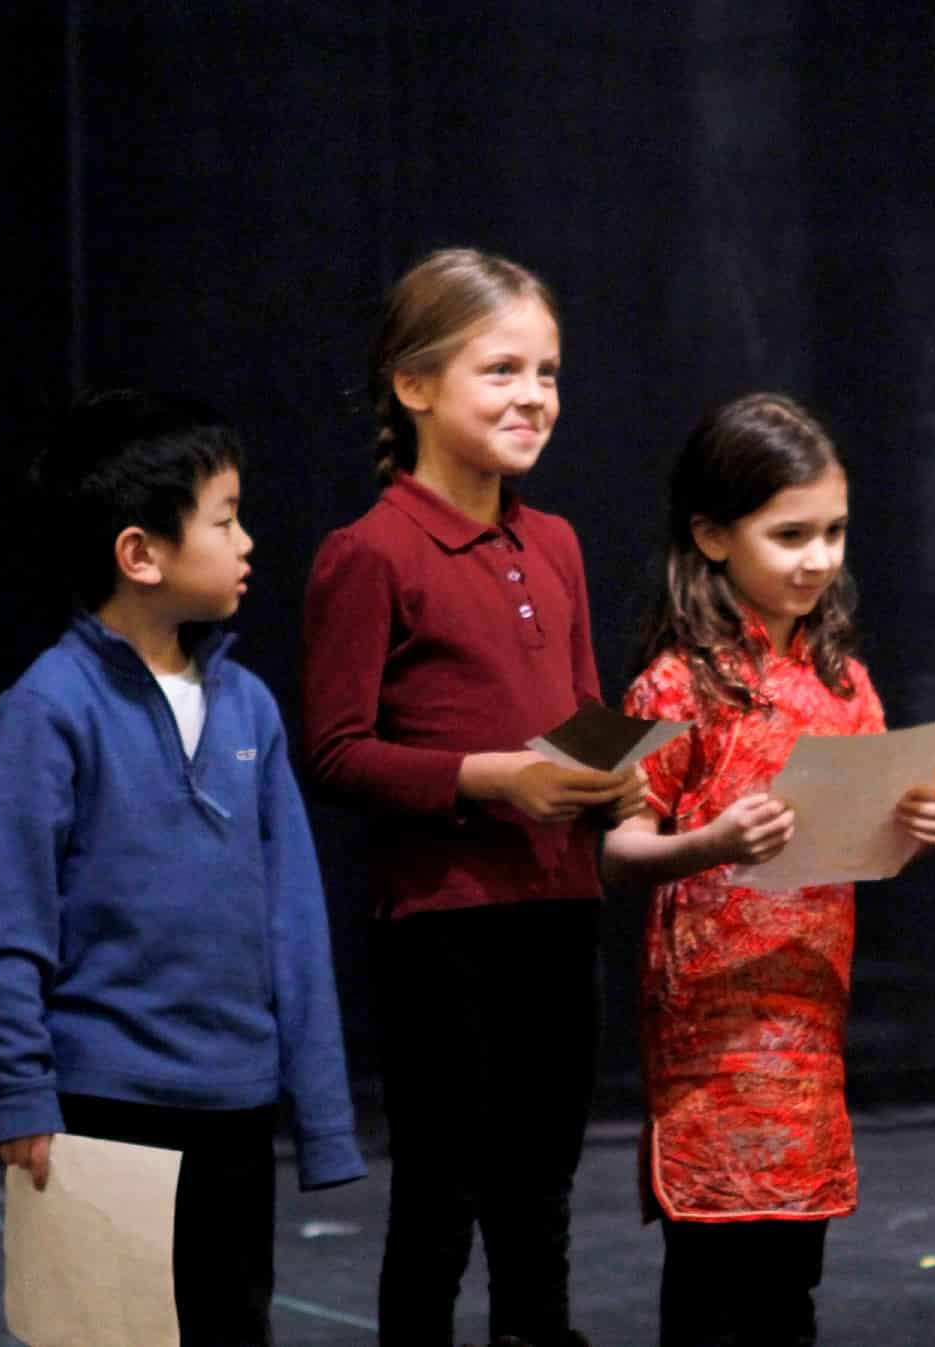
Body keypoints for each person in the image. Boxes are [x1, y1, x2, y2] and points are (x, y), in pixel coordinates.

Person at [0, 388, 366, 1347]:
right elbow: (10, 919)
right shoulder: (48, 708)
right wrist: (21, 1088)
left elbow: (294, 922)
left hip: (234, 1104)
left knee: (232, 1327)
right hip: (102, 1110)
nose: (247, 542)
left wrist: (320, 1113)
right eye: (225, 520)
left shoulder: (250, 709)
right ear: (140, 553)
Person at [300, 248, 645, 1347]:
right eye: (499, 371)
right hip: (444, 922)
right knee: (443, 1187)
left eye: (546, 372)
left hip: (558, 904)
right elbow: (337, 753)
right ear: (413, 386)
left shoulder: (554, 542)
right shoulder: (370, 552)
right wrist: (487, 778)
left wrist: (612, 776)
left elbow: (582, 705)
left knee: (539, 1183)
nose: (532, 397)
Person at [599, 393, 935, 1347]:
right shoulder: (675, 681)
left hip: (805, 1025)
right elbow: (616, 846)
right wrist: (708, 844)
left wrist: (917, 823)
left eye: (834, 532)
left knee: (788, 1285)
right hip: (712, 1040)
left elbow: (872, 836)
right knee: (714, 1284)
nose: (819, 558)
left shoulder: (843, 680)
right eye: (790, 533)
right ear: (713, 535)